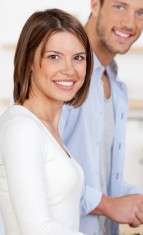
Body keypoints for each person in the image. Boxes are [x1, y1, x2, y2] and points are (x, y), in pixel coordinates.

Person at [59, 0, 143, 234]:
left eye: (141, 13)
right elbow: (42, 174)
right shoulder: (63, 74)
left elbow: (101, 179)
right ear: (95, 5)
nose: (130, 23)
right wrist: (109, 205)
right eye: (120, 6)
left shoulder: (114, 83)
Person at [0, 8, 93, 235]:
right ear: (29, 61)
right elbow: (37, 230)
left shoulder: (45, 127)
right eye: (54, 57)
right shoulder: (22, 128)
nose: (69, 70)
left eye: (78, 58)